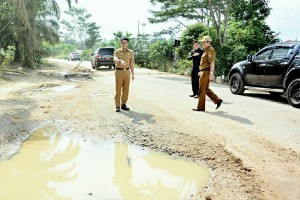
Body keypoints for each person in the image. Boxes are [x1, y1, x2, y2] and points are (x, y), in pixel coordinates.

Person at [193, 36, 223, 111]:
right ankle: (217, 100)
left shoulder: (210, 50)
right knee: (205, 89)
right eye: (202, 42)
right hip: (203, 71)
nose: (202, 43)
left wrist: (211, 73)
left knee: (201, 90)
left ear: (208, 42)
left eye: (203, 42)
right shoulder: (206, 50)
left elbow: (212, 62)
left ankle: (200, 107)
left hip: (206, 72)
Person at [113, 37, 135, 112]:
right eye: (122, 43)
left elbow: (132, 63)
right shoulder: (117, 51)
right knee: (118, 88)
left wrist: (133, 74)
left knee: (126, 89)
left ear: (127, 44)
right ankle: (117, 106)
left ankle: (123, 104)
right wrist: (119, 60)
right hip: (119, 71)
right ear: (121, 43)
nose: (124, 44)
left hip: (127, 72)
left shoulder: (131, 52)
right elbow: (115, 59)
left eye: (125, 43)